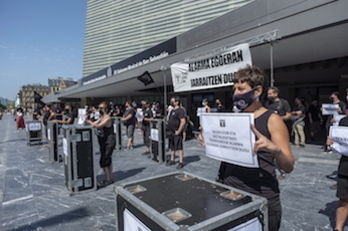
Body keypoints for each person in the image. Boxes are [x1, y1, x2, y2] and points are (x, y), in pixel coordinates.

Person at [218, 65, 294, 231]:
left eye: (241, 88)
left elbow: (288, 166)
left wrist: (275, 150)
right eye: (234, 89)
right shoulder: (235, 117)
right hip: (230, 191)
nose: (235, 93)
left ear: (257, 91)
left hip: (260, 197)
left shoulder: (272, 120)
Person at [85, 101, 115, 187]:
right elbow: (96, 122)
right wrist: (88, 119)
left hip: (109, 142)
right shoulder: (102, 117)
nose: (99, 109)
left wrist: (89, 121)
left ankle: (108, 179)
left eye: (101, 108)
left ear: (106, 109)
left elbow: (98, 126)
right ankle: (109, 177)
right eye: (99, 108)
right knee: (107, 160)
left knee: (104, 160)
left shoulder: (107, 118)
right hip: (103, 141)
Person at [264, 87, 292, 179]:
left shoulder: (283, 103)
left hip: (280, 130)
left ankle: (283, 169)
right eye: (268, 94)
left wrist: (279, 119)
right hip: (269, 129)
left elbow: (289, 115)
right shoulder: (267, 104)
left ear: (276, 94)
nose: (269, 96)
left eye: (270, 94)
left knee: (281, 149)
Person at [166, 96, 187, 169]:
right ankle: (172, 159)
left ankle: (181, 161)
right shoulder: (172, 110)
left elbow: (183, 121)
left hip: (176, 131)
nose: (171, 102)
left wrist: (179, 131)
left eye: (173, 101)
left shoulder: (180, 111)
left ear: (177, 102)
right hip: (170, 132)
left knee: (179, 147)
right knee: (172, 147)